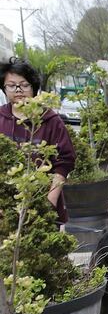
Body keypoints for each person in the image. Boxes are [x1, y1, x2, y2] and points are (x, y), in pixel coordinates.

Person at [0, 57, 75, 224]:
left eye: (24, 84)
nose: (18, 90)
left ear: (33, 88)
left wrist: (49, 202)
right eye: (12, 85)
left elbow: (64, 162)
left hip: (42, 199)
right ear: (4, 89)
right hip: (5, 206)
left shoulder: (51, 120)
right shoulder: (0, 118)